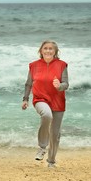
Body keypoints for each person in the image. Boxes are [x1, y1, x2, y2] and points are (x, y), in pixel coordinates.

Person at [22, 40, 69, 168]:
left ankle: (51, 162)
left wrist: (59, 86)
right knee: (46, 115)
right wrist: (25, 99)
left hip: (58, 101)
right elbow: (28, 84)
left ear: (55, 51)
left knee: (55, 134)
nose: (48, 51)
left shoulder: (62, 65)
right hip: (40, 99)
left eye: (51, 49)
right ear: (41, 51)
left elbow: (66, 84)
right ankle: (42, 147)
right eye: (45, 48)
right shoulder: (33, 65)